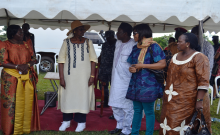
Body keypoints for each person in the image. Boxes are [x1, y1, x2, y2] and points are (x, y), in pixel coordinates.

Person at [159, 33, 211, 135]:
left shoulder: (199, 57)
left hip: (190, 102)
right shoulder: (175, 57)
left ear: (188, 43)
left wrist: (199, 101)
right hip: (172, 101)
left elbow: (203, 81)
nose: (176, 43)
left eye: (179, 41)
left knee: (186, 127)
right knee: (168, 125)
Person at [57, 20, 97, 132]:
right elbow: (61, 61)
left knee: (82, 97)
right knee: (68, 97)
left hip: (84, 77)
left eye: (83, 29)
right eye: (81, 29)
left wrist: (92, 76)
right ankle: (66, 121)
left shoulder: (88, 42)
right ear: (74, 31)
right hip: (69, 76)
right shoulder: (66, 42)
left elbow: (93, 60)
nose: (83, 31)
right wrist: (61, 78)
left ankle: (81, 122)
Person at [126, 24, 166, 135]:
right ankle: (134, 133)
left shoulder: (154, 46)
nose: (133, 35)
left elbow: (162, 64)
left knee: (148, 112)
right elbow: (133, 64)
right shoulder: (135, 47)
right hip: (136, 84)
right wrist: (132, 69)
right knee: (137, 110)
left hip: (149, 85)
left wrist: (143, 66)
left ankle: (149, 133)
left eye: (134, 33)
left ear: (142, 33)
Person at [0, 25, 40, 135]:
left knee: (28, 100)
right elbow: (2, 62)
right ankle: (9, 129)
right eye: (19, 33)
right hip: (11, 78)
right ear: (12, 34)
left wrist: (28, 65)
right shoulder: (4, 44)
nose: (22, 34)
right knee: (11, 102)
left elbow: (34, 59)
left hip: (27, 75)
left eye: (22, 32)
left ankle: (27, 127)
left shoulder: (27, 43)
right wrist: (17, 67)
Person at [108, 22, 136, 135]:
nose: (116, 33)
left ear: (125, 33)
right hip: (115, 80)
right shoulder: (118, 43)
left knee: (127, 107)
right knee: (115, 105)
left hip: (127, 81)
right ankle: (119, 125)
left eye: (118, 31)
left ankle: (126, 130)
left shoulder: (134, 45)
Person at [98, 30, 116, 108]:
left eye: (109, 37)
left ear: (112, 36)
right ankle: (104, 103)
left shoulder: (118, 44)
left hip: (113, 70)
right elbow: (102, 54)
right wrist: (99, 60)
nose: (107, 39)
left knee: (114, 87)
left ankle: (114, 105)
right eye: (106, 37)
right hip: (104, 69)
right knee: (103, 87)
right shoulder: (104, 45)